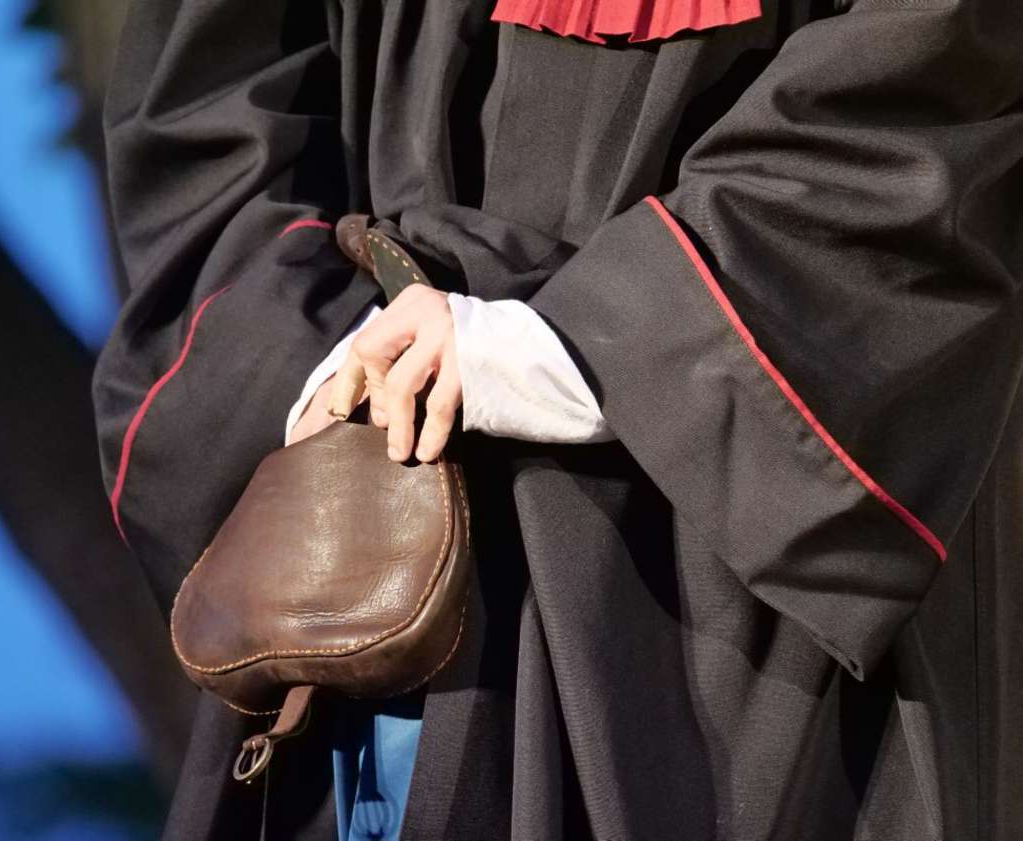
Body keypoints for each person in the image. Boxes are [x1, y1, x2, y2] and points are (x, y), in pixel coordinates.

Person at [92, 0, 1023, 838]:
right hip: (385, 527)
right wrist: (337, 352)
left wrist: (584, 340)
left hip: (732, 552)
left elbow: (938, 77)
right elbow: (205, 109)